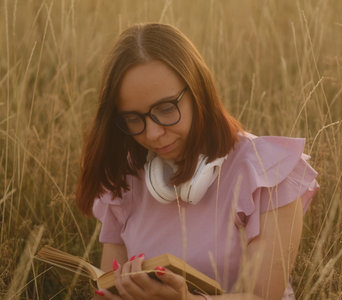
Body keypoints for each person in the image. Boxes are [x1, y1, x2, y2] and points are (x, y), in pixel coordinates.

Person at [76, 23, 319, 300]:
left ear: (199, 91)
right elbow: (106, 290)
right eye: (134, 119)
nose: (153, 134)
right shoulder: (126, 177)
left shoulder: (269, 171)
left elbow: (264, 296)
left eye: (166, 109)